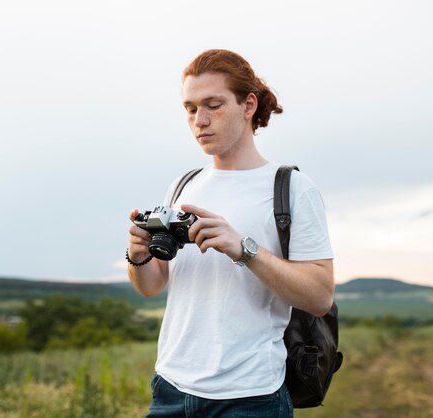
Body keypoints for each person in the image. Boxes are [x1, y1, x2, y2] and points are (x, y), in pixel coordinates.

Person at [126, 49, 334, 418]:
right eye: (190, 108)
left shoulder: (291, 188)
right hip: (170, 387)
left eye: (213, 105)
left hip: (251, 396)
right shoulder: (183, 185)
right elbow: (151, 286)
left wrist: (245, 249)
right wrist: (138, 254)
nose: (199, 121)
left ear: (248, 104)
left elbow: (319, 297)